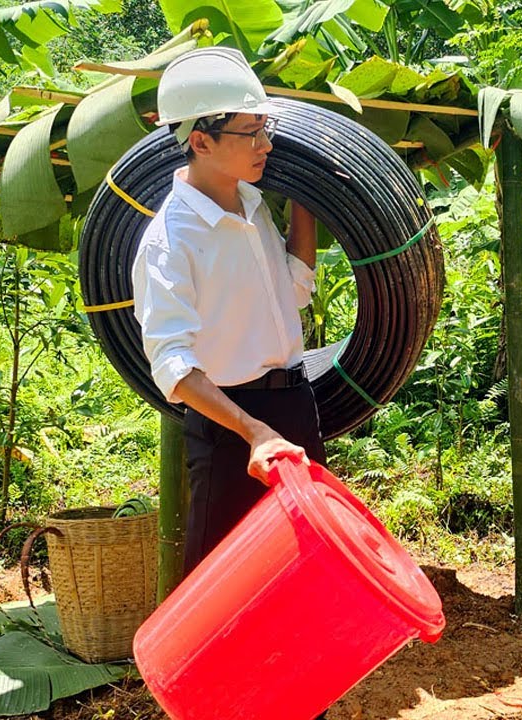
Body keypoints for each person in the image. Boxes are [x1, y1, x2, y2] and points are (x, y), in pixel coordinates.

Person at [132, 47, 325, 575]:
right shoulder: (171, 242)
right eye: (250, 133)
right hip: (229, 429)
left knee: (301, 568)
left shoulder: (253, 205)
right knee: (222, 581)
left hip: (294, 406)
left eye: (265, 129)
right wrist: (252, 431)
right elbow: (174, 367)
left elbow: (294, 291)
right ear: (201, 141)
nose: (266, 145)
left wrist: (306, 196)